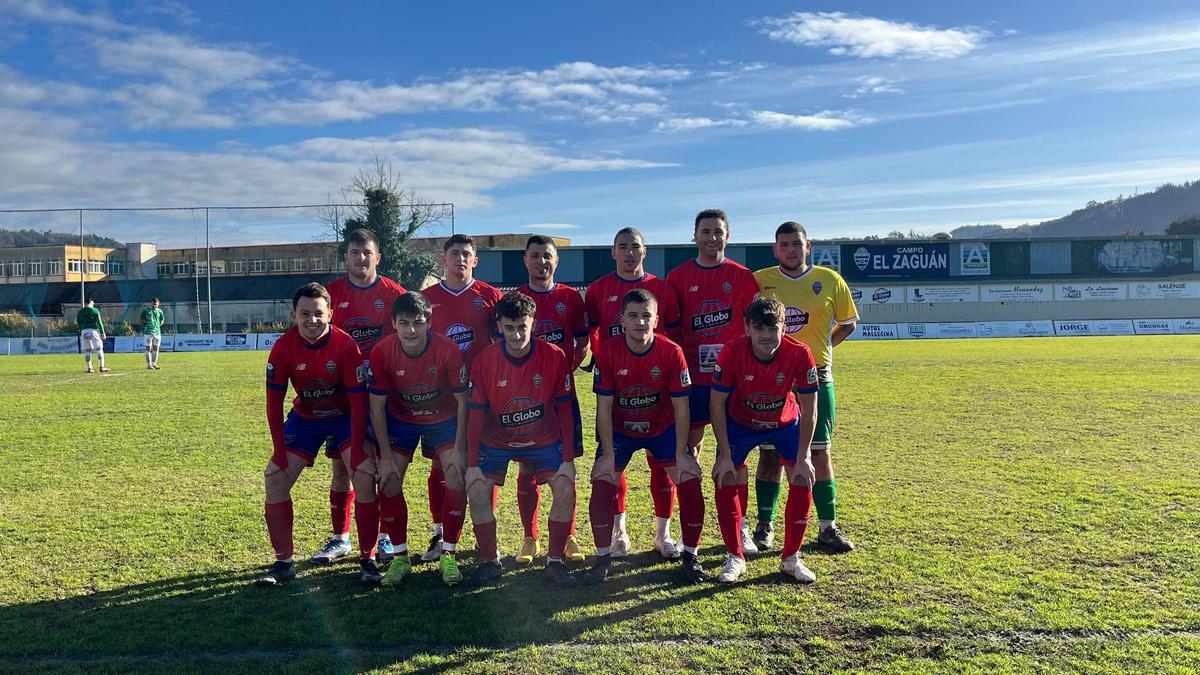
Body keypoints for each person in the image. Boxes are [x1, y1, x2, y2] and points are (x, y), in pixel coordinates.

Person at [585, 289, 707, 585]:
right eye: (633, 316)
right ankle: (603, 558)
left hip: (661, 428)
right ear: (622, 321)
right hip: (620, 430)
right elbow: (603, 408)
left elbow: (681, 409)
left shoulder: (671, 352)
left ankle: (690, 555)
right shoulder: (609, 352)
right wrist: (608, 455)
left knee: (689, 478)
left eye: (646, 316)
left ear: (656, 320)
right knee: (603, 480)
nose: (640, 322)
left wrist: (681, 452)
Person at [752, 222, 857, 553]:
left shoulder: (829, 280)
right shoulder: (760, 280)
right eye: (784, 245)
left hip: (817, 376)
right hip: (773, 379)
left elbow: (847, 323)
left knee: (819, 452)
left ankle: (828, 526)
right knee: (769, 454)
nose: (791, 250)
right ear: (775, 249)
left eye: (796, 244)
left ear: (807, 246)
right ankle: (764, 526)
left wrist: (819, 353)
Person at [256, 283, 370, 586]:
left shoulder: (346, 346)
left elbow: (359, 404)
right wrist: (279, 453)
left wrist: (357, 450)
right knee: (274, 477)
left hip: (345, 418)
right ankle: (283, 563)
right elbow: (273, 404)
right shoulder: (283, 347)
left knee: (363, 474)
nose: (312, 320)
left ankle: (368, 559)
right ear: (294, 314)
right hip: (306, 419)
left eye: (319, 313)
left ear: (331, 314)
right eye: (305, 313)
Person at [464, 291, 578, 586]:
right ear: (499, 326)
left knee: (565, 487)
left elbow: (565, 409)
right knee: (476, 490)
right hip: (496, 441)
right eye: (510, 327)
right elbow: (475, 414)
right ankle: (490, 562)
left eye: (522, 327)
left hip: (544, 439)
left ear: (533, 324)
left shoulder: (554, 356)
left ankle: (555, 563)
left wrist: (567, 460)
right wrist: (473, 464)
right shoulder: (485, 360)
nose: (516, 335)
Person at [583, 228, 683, 559]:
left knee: (661, 464)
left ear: (645, 251)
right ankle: (619, 533)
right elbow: (588, 335)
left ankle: (663, 534)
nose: (629, 253)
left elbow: (675, 337)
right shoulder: (598, 290)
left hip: (657, 391)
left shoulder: (662, 289)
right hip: (616, 392)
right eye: (622, 247)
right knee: (615, 463)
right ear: (613, 252)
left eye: (635, 247)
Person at [665, 209, 757, 550]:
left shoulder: (744, 278)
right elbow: (672, 332)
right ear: (695, 236)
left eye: (718, 231)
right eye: (705, 231)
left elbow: (753, 328)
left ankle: (740, 526)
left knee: (735, 455)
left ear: (727, 235)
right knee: (688, 455)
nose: (711, 237)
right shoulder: (677, 277)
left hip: (732, 382)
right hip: (691, 381)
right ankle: (684, 527)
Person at [709, 298, 820, 584]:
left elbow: (810, 409)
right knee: (725, 475)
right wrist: (723, 453)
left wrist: (804, 455)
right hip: (741, 423)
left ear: (785, 327)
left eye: (774, 327)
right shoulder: (731, 353)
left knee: (802, 476)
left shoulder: (800, 353)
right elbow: (717, 403)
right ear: (747, 328)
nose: (767, 335)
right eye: (759, 328)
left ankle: (791, 558)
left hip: (785, 423)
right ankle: (735, 557)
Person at [315, 229, 407, 567]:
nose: (361, 258)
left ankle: (383, 537)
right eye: (355, 252)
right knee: (342, 469)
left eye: (367, 252)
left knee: (387, 467)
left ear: (377, 257)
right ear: (347, 257)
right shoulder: (332, 294)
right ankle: (340, 538)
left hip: (386, 396)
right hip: (342, 398)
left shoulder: (394, 293)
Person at [368, 292, 470, 586]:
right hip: (402, 420)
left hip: (444, 419)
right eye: (404, 323)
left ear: (429, 322)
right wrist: (385, 456)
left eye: (418, 322)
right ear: (393, 324)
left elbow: (463, 402)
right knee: (387, 480)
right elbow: (377, 407)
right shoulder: (382, 352)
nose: (411, 330)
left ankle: (448, 555)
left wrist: (460, 448)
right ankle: (400, 558)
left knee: (455, 473)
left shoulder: (447, 349)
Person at [419, 234, 503, 563]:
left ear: (475, 260)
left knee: (486, 465)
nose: (461, 259)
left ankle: (487, 534)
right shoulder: (427, 299)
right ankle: (440, 533)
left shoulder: (490, 297)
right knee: (441, 464)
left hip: (483, 396)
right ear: (444, 259)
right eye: (455, 253)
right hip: (441, 399)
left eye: (467, 254)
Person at [513, 235, 588, 565]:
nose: (541, 262)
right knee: (527, 465)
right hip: (523, 397)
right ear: (525, 260)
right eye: (535, 256)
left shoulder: (571, 297)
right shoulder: (516, 298)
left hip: (561, 396)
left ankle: (568, 535)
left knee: (563, 464)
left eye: (547, 256)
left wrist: (562, 374)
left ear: (556, 262)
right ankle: (529, 538)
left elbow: (583, 343)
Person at [76, 299, 109, 373]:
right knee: (99, 348)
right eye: (93, 302)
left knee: (87, 350)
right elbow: (99, 323)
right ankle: (102, 366)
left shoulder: (80, 312)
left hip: (84, 331)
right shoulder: (95, 311)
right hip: (93, 330)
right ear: (91, 302)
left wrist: (82, 330)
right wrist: (102, 332)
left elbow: (78, 322)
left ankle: (90, 368)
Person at [140, 297, 165, 370]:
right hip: (148, 332)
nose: (154, 305)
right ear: (151, 303)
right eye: (153, 303)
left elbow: (162, 320)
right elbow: (141, 320)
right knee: (148, 348)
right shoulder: (145, 311)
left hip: (157, 333)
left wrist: (157, 326)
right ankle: (148, 364)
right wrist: (146, 326)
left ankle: (154, 364)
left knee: (156, 348)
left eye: (156, 304)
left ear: (158, 304)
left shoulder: (160, 311)